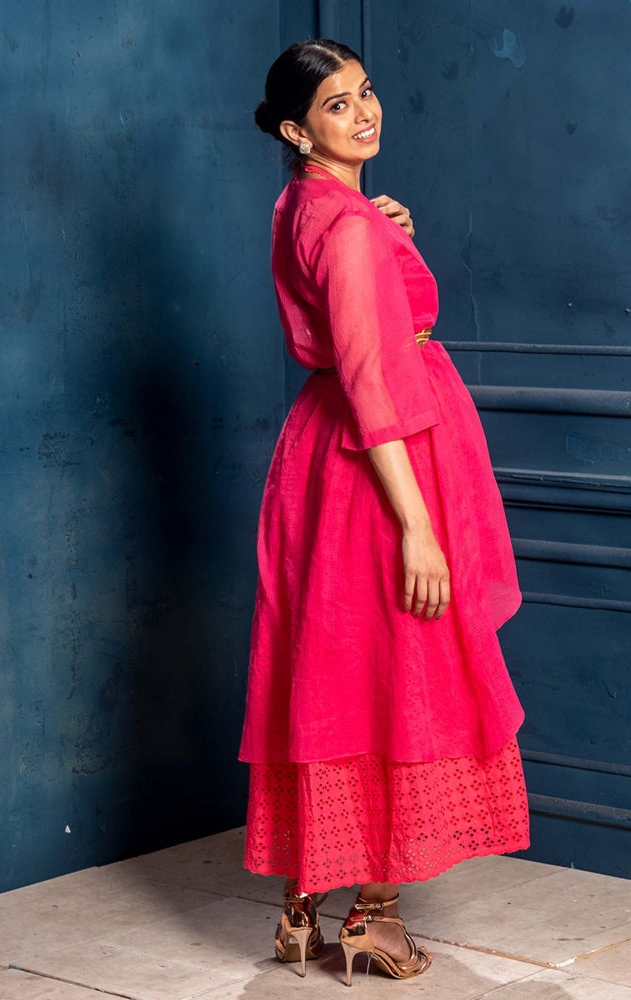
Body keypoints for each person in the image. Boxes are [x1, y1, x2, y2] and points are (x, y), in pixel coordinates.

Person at [240, 38, 530, 986]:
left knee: (327, 667)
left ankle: (300, 910)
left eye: (365, 93)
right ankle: (375, 915)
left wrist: (377, 224)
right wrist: (417, 527)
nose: (363, 113)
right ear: (297, 130)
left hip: (323, 456)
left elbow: (337, 299)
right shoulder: (351, 227)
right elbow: (372, 375)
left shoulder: (304, 204)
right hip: (379, 465)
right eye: (336, 105)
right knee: (392, 673)